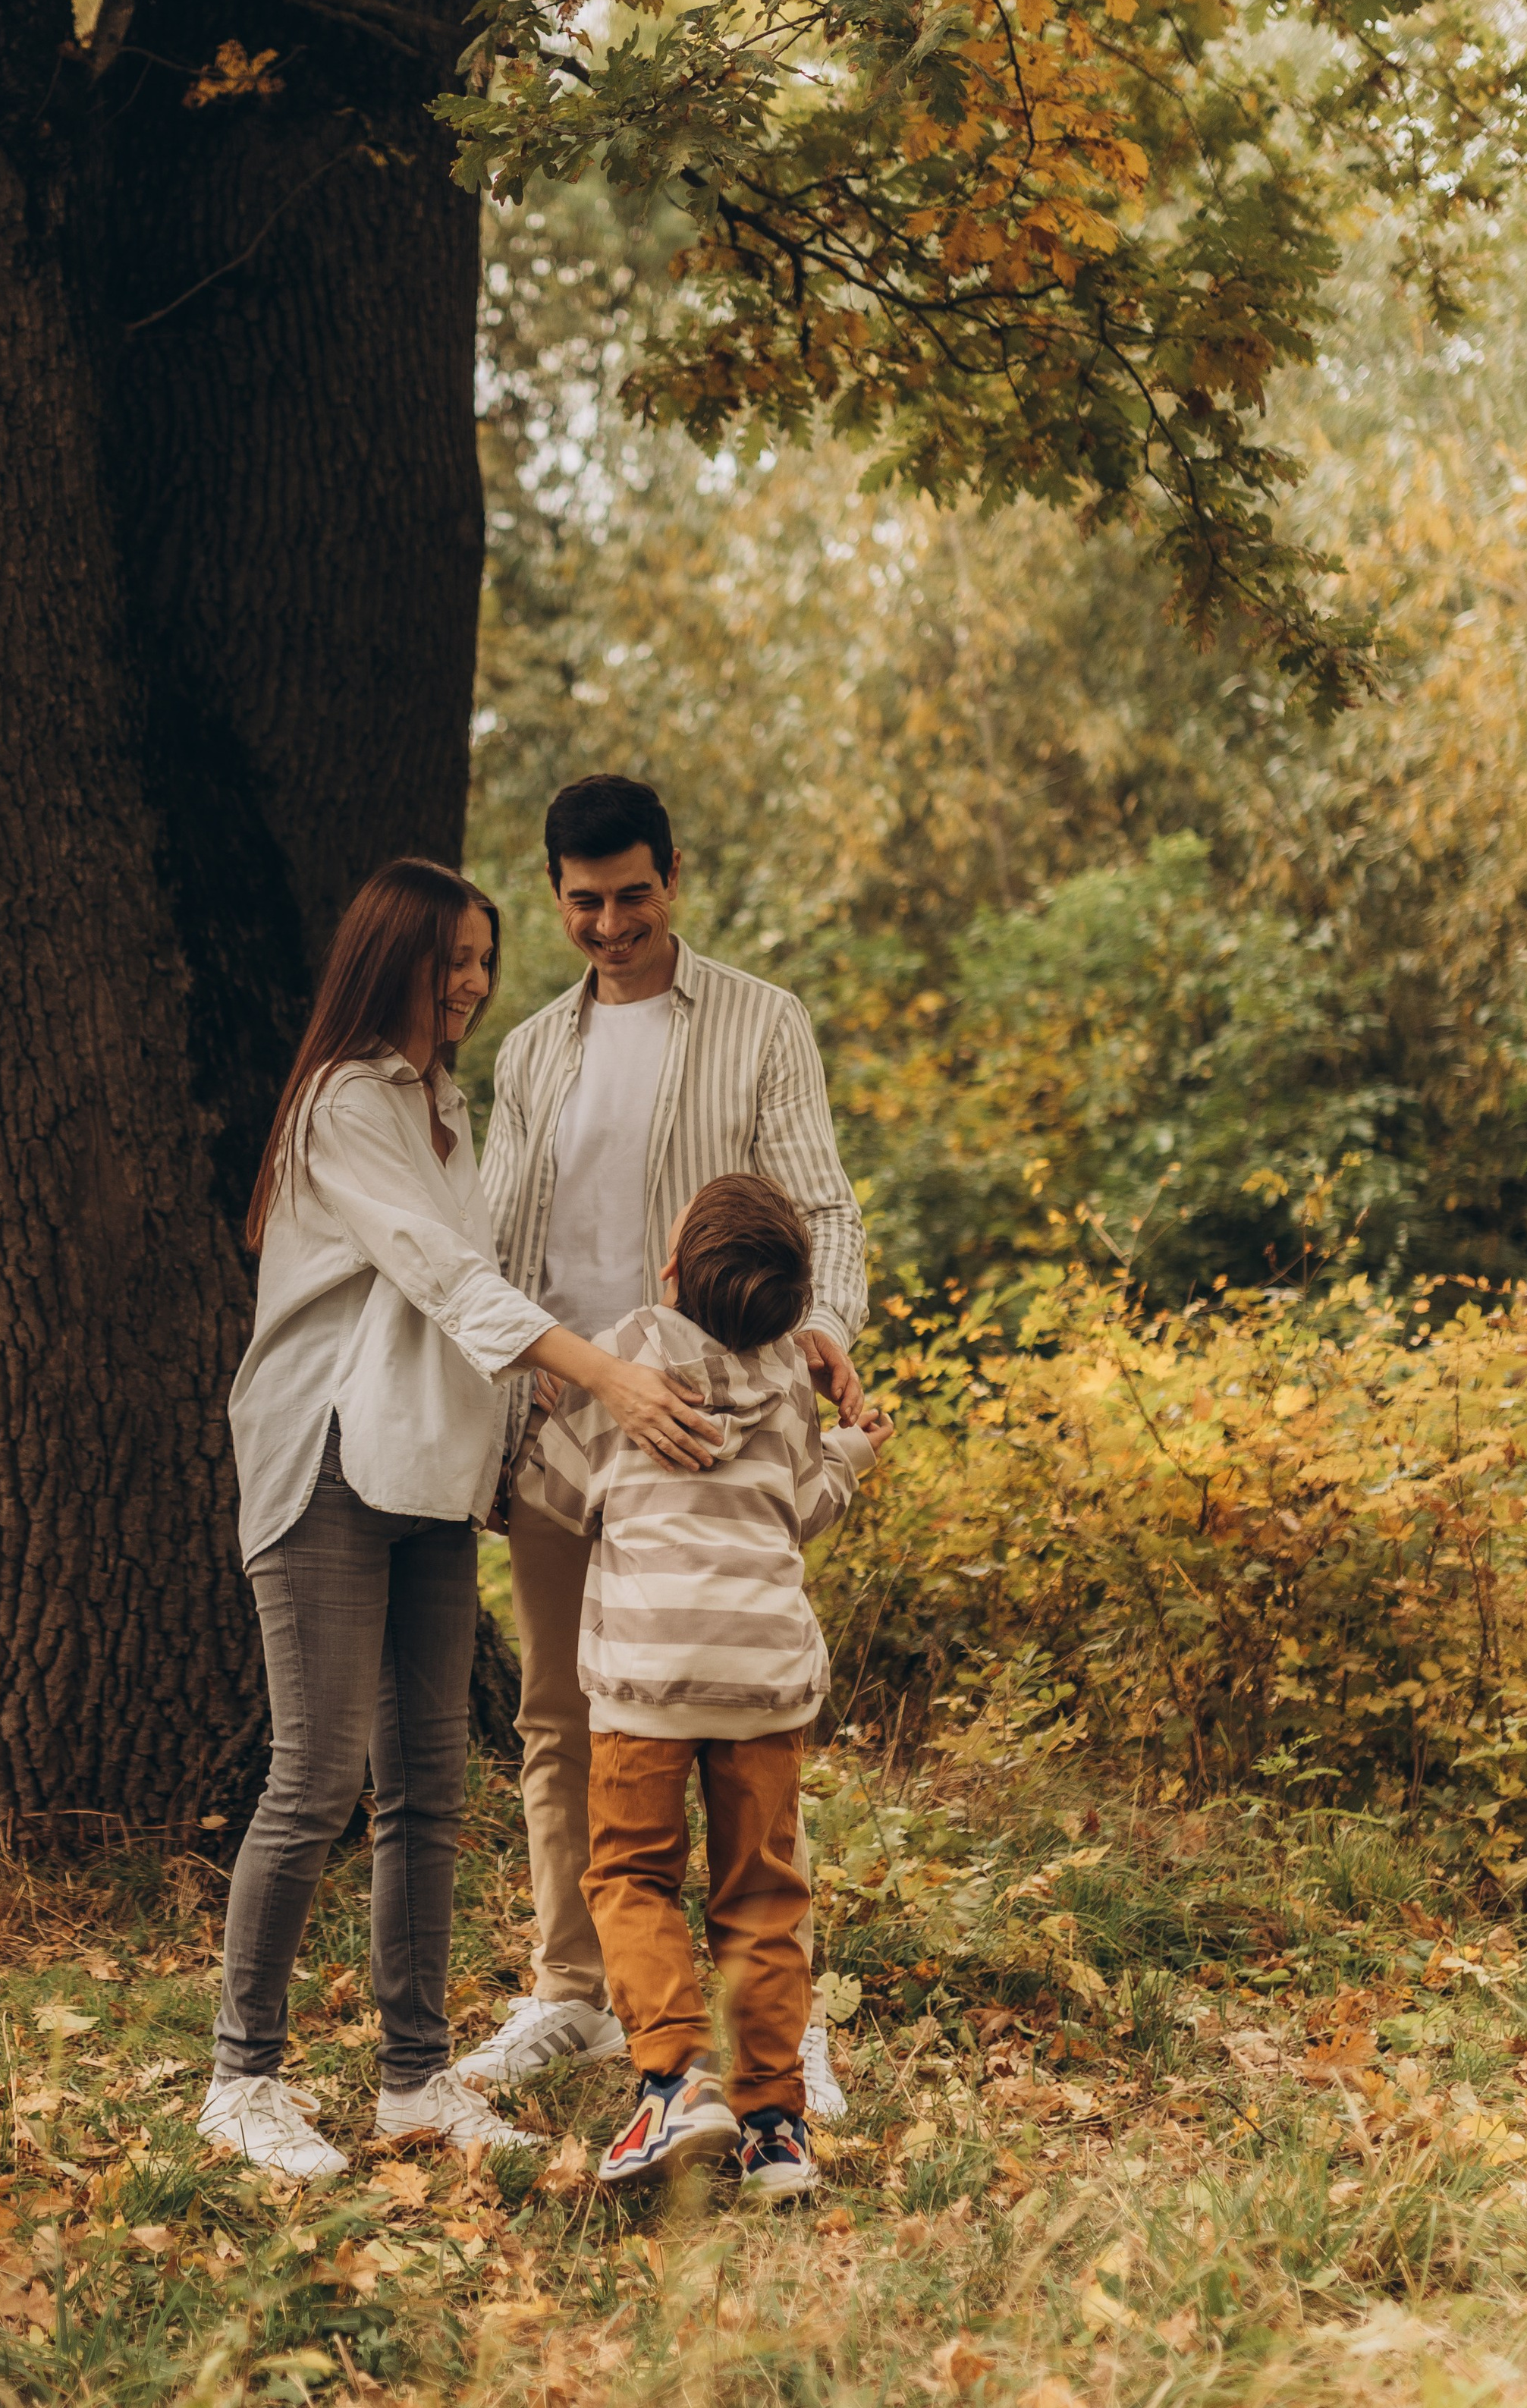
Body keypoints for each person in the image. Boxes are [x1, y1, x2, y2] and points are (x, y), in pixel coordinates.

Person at [200, 857, 727, 2180]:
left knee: (430, 1786)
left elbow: (479, 1284)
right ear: (394, 962)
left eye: (488, 964)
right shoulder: (340, 1103)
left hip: (429, 1475)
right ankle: (241, 2081)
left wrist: (516, 1449)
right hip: (328, 1459)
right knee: (318, 1777)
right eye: (455, 965)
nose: (477, 987)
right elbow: (445, 1278)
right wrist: (600, 1371)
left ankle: (413, 2082)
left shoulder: (443, 1105)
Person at [467, 776, 869, 2117]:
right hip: (568, 1426)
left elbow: (823, 1205)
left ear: (673, 876)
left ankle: (775, 2023)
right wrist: (529, 1399)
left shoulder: (760, 1021)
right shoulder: (529, 1053)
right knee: (561, 1714)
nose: (610, 923)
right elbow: (500, 1252)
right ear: (555, 896)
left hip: (716, 1422)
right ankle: (573, 1995)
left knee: (746, 1717)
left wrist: (821, 1330)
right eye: (583, 902)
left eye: (633, 894)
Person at [510, 1176, 884, 2199]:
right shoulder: (788, 1383)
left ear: (670, 1273)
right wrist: (851, 1451)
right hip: (764, 1685)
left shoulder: (628, 1359)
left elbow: (554, 1491)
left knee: (631, 1874)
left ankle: (674, 2081)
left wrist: (539, 1422)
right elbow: (804, 1504)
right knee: (763, 1891)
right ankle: (774, 2123)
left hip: (647, 1681)